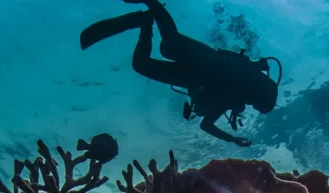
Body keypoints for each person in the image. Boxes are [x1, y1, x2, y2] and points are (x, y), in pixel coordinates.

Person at [81, 0, 281, 147]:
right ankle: (150, 4)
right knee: (169, 42)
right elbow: (207, 123)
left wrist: (232, 139)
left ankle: (144, 23)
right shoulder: (242, 83)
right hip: (206, 60)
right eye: (257, 104)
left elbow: (205, 125)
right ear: (260, 96)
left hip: (190, 76)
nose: (252, 106)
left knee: (143, 63)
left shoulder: (233, 99)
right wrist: (232, 138)